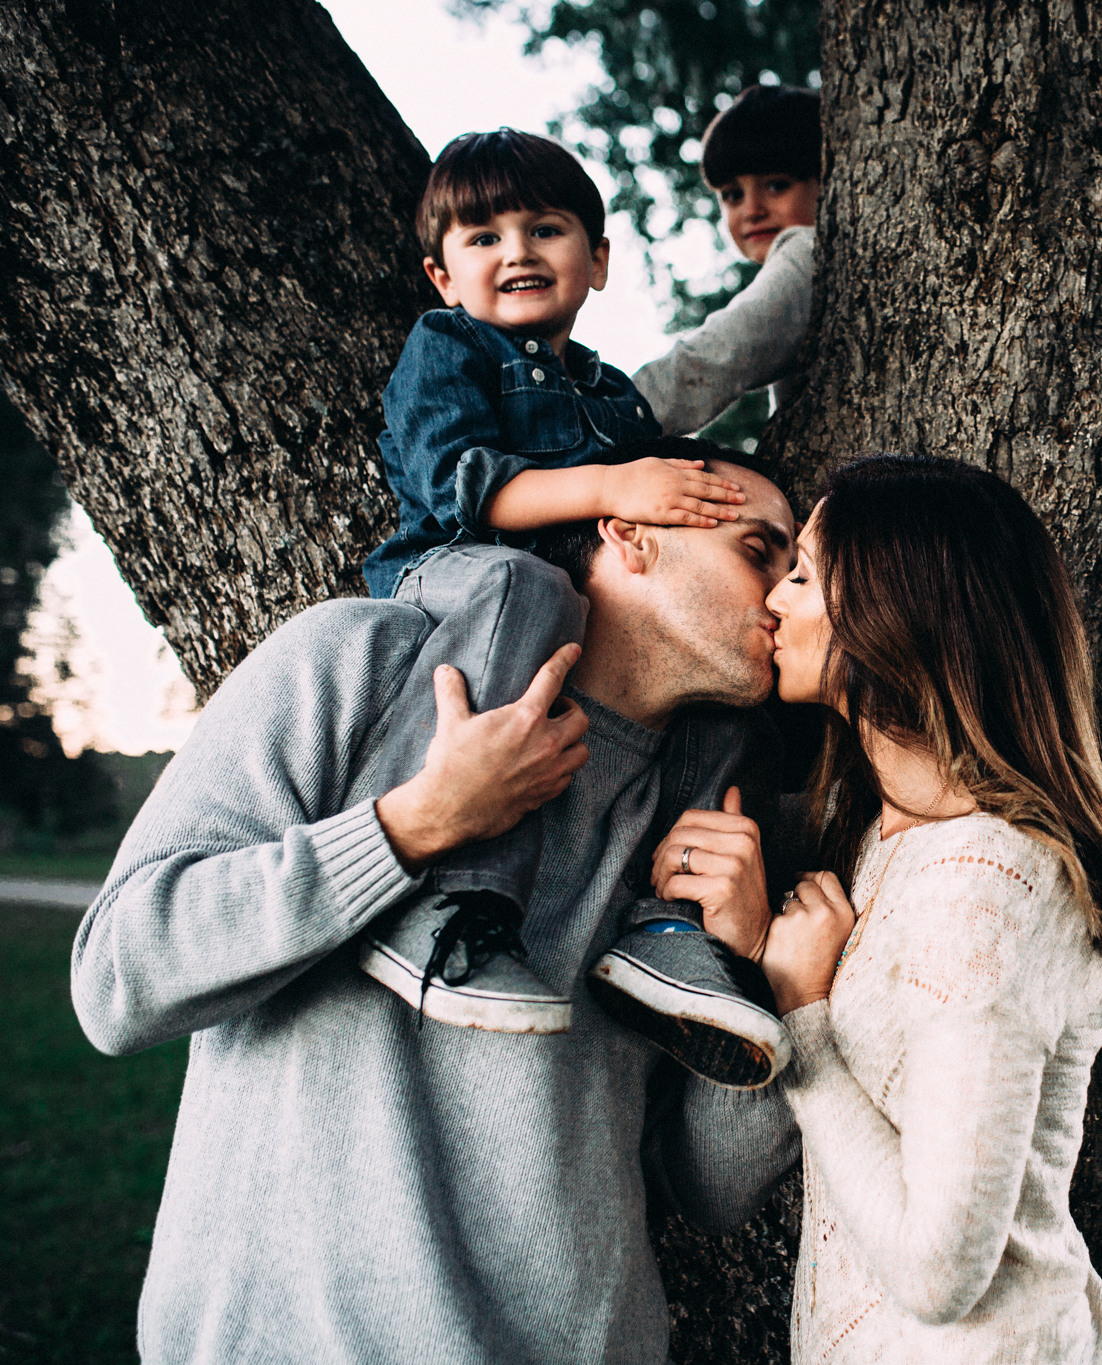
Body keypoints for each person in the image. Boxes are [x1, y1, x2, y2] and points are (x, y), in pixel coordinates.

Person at [71, 449, 804, 1363]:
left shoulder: (711, 819)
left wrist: (759, 974)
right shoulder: (361, 661)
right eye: (759, 550)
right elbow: (117, 976)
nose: (785, 596)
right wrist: (410, 827)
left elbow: (707, 1191)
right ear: (631, 536)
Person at [357, 128, 811, 1087]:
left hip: (558, 605)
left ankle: (664, 928)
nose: (516, 250)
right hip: (452, 574)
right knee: (525, 581)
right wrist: (618, 485)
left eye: (546, 228)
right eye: (483, 237)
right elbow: (469, 490)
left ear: (597, 261)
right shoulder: (449, 348)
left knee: (715, 692)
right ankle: (455, 901)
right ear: (442, 276)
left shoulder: (606, 395)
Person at [741, 454, 1102, 1363]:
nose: (774, 598)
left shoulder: (991, 884)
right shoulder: (887, 832)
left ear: (893, 611)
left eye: (806, 574)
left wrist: (802, 1024)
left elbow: (940, 1272)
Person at [633, 84, 822, 431]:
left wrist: (614, 414)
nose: (752, 210)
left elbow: (723, 353)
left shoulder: (805, 249)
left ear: (826, 183)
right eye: (733, 195)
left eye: (777, 185)